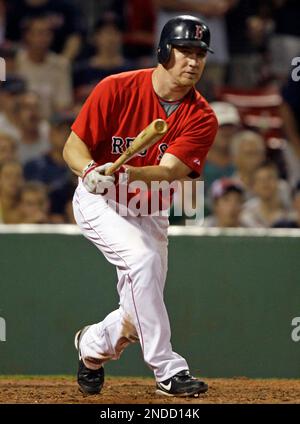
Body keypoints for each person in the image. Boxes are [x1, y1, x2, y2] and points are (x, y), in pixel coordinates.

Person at [63, 15, 218, 398]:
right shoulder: (116, 88)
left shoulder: (202, 116)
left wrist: (124, 173)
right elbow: (72, 146)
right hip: (101, 201)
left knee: (135, 318)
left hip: (150, 210)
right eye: (185, 50)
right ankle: (168, 369)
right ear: (165, 50)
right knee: (144, 262)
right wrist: (89, 170)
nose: (193, 61)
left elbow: (170, 172)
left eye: (200, 53)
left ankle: (92, 346)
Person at [16, 15, 73, 118]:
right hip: (17, 124)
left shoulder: (61, 65)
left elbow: (63, 105)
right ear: (27, 35)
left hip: (50, 126)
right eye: (39, 33)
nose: (43, 38)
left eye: (48, 34)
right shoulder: (13, 61)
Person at [241, 161, 293, 228]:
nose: (265, 183)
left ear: (278, 181)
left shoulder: (291, 213)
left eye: (270, 178)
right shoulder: (245, 216)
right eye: (260, 180)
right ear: (254, 186)